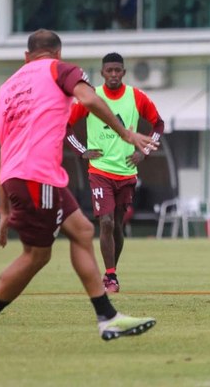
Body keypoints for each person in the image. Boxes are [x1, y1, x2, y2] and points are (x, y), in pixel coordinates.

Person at [0, 29, 157, 354]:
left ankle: (106, 316)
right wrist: (127, 135)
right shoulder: (59, 70)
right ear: (57, 54)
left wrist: (5, 209)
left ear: (27, 57)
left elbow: (3, 148)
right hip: (38, 177)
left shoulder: (7, 88)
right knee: (37, 255)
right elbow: (91, 99)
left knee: (81, 230)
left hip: (19, 176)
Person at [66, 52, 164, 293]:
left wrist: (144, 152)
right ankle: (110, 277)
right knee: (106, 222)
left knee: (117, 225)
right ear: (102, 73)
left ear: (123, 72)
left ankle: (112, 271)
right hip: (99, 171)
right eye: (108, 70)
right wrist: (81, 151)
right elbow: (65, 125)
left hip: (127, 172)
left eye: (117, 70)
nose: (113, 75)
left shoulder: (136, 97)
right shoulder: (91, 97)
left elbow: (158, 124)